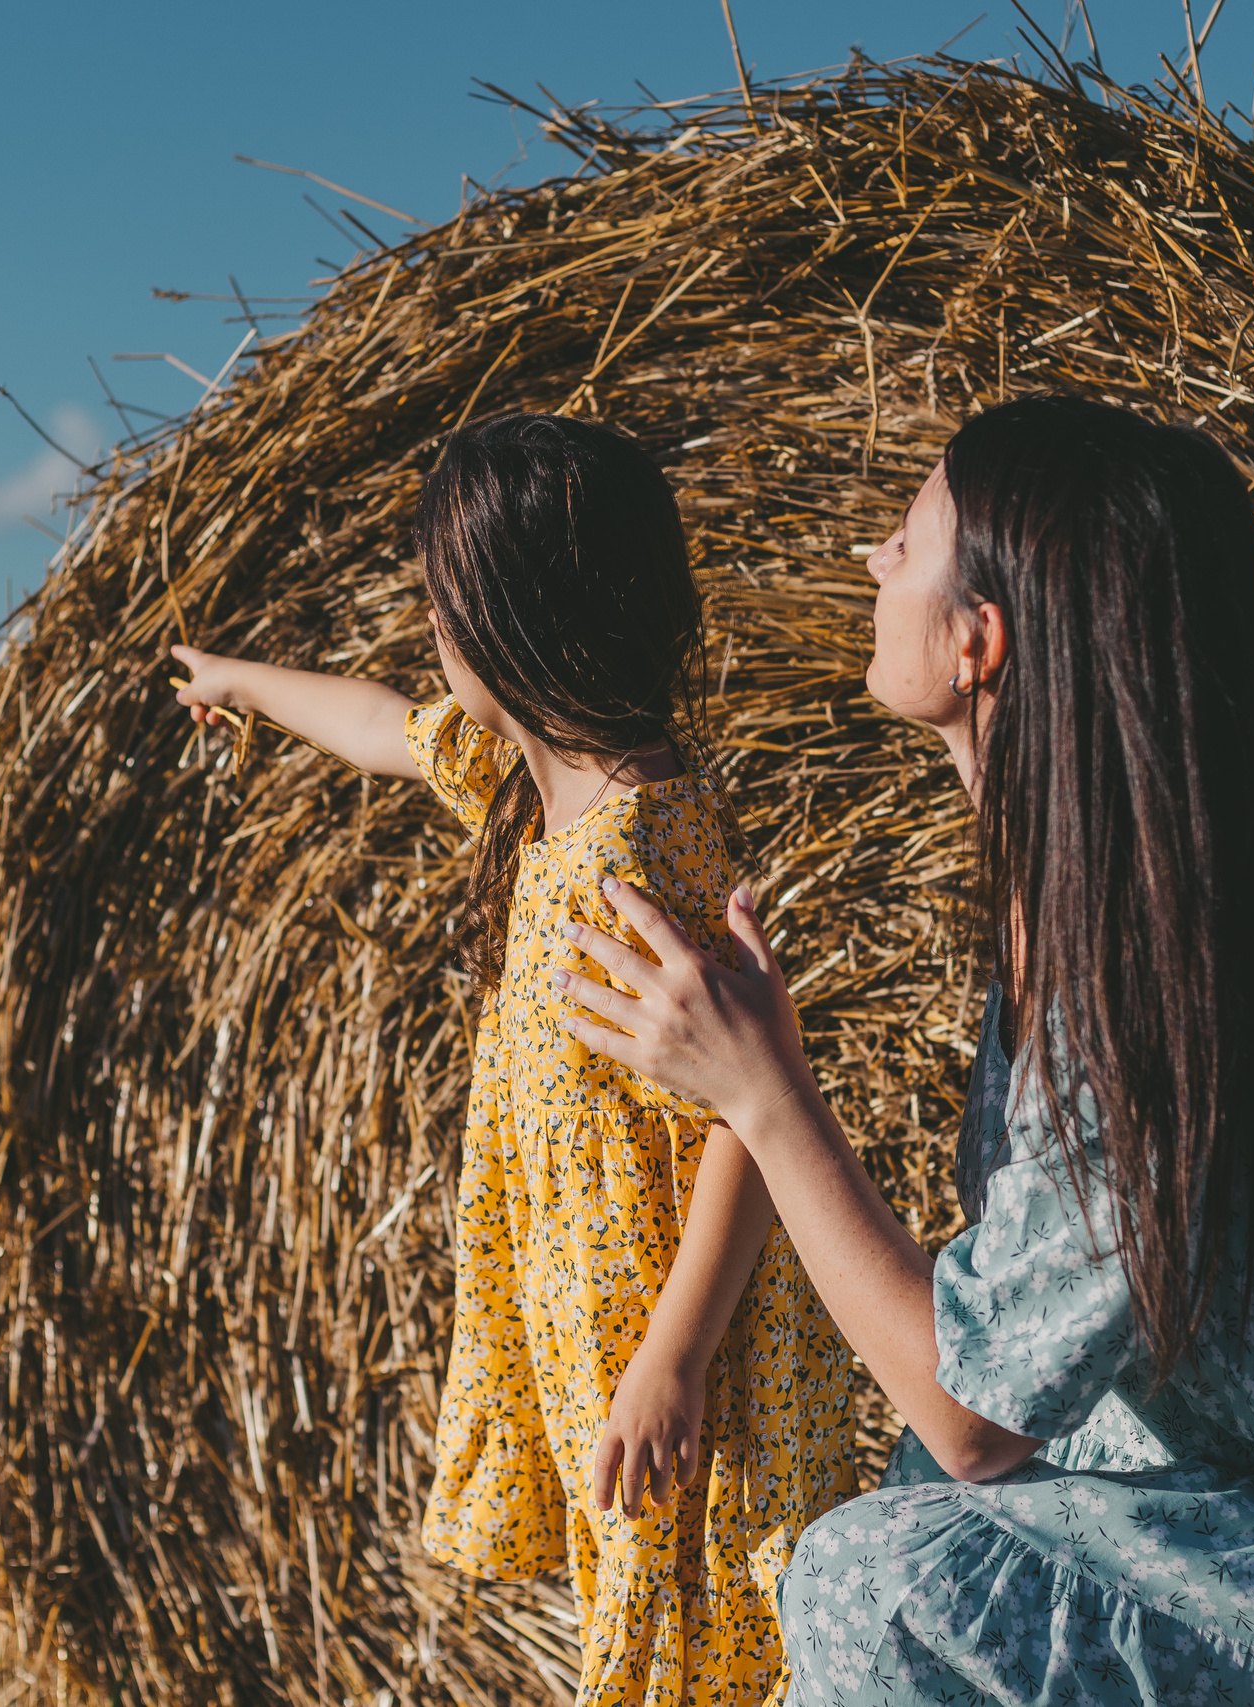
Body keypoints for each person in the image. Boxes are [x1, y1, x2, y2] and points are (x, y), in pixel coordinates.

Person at [551, 396, 1254, 1704]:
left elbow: (972, 1418)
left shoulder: (1139, 969)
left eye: (908, 545)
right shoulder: (1148, 907)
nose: (871, 561)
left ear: (981, 641)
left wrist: (765, 1094)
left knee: (874, 1583)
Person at [168, 413, 856, 1707]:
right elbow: (381, 727)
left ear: (510, 620)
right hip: (588, 1308)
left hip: (675, 1321)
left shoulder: (647, 853)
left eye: (442, 605)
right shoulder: (530, 791)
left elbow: (744, 1127)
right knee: (644, 1616)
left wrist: (675, 1356)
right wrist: (240, 681)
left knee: (696, 1636)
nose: (431, 636)